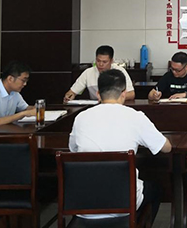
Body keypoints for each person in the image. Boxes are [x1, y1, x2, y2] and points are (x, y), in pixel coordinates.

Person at [69, 69, 172, 223]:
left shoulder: (80, 118)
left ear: (98, 94)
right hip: (124, 203)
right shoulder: (136, 117)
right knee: (157, 189)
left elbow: (73, 150)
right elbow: (166, 148)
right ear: (123, 94)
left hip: (82, 204)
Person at [64, 45, 134, 102]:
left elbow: (131, 94)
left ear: (111, 61)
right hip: (95, 107)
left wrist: (109, 99)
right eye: (98, 61)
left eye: (104, 62)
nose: (100, 64)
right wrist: (69, 96)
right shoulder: (88, 72)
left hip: (115, 105)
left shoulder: (119, 72)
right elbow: (72, 92)